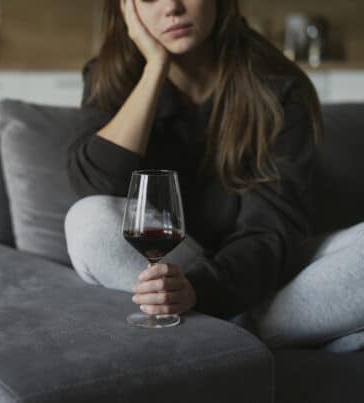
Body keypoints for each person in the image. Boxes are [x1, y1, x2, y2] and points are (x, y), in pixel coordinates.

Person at [65, 0, 364, 352]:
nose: (172, 7)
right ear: (126, 9)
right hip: (166, 268)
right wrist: (154, 69)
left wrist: (202, 291)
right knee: (89, 221)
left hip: (259, 273)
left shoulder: (278, 86)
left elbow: (271, 229)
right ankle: (293, 329)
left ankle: (222, 330)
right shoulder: (109, 75)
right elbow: (96, 188)